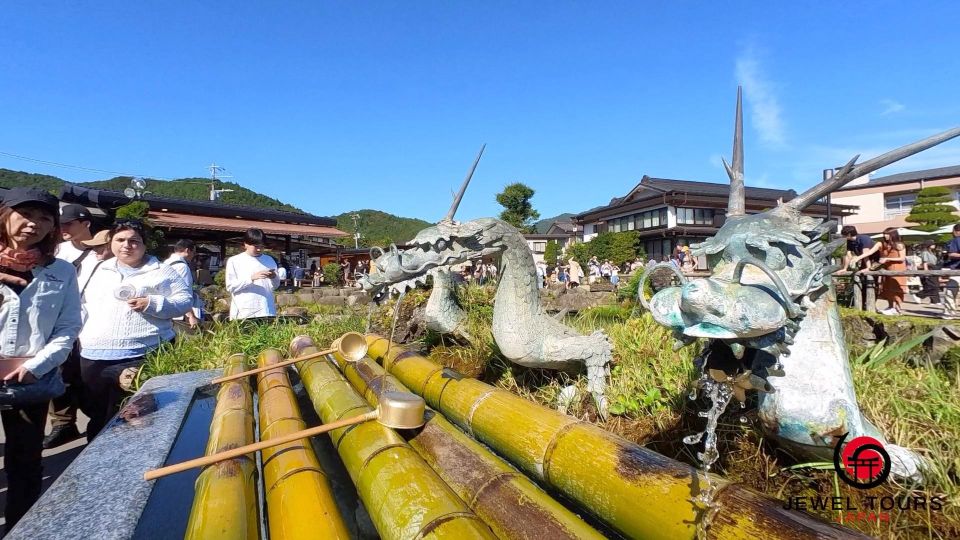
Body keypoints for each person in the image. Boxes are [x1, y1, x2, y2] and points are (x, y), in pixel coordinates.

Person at [0, 188, 82, 531]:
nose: (33, 224)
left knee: (25, 463)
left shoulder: (61, 272)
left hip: (28, 381)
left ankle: (21, 529)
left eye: (44, 218)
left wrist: (36, 367)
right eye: (25, 215)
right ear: (5, 217)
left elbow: (68, 327)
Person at [79, 219, 192, 439]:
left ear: (144, 244)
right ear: (111, 242)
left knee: (141, 418)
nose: (126, 245)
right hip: (94, 355)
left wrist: (153, 304)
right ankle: (96, 464)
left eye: (134, 241)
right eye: (120, 240)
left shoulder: (162, 271)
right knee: (98, 414)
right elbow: (80, 302)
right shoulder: (98, 268)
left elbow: (185, 300)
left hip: (143, 353)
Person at [44, 204, 97, 449]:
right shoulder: (54, 251)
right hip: (56, 321)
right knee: (60, 374)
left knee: (85, 375)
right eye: (60, 224)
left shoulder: (103, 251)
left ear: (85, 223)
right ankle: (63, 423)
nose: (62, 228)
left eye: (68, 223)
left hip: (91, 322)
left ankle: (96, 419)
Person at [225, 228, 280, 320]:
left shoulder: (269, 260)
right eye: (255, 246)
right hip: (244, 312)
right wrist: (251, 278)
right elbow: (230, 287)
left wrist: (273, 277)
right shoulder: (234, 261)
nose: (259, 249)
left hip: (266, 309)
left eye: (261, 246)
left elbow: (275, 286)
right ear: (245, 244)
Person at [850, 227, 906, 315]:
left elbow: (902, 258)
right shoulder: (881, 243)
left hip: (898, 267)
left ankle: (897, 308)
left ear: (893, 235)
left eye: (887, 234)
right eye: (884, 234)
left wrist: (887, 258)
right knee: (886, 287)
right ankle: (891, 306)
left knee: (896, 287)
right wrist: (858, 258)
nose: (885, 236)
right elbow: (869, 252)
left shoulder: (899, 244)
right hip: (886, 268)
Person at [164, 239, 201, 328]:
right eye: (194, 252)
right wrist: (191, 316)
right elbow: (184, 293)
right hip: (180, 314)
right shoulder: (182, 267)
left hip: (166, 311)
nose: (193, 256)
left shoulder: (166, 263)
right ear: (187, 250)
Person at [942, 224, 960, 319]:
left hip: (956, 270)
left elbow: (951, 254)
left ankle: (949, 312)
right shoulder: (956, 240)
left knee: (951, 291)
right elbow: (951, 254)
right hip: (956, 269)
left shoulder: (956, 240)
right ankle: (950, 311)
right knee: (953, 292)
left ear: (956, 231)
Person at [918, 240, 941, 307]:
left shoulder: (931, 252)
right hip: (929, 268)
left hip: (934, 268)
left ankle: (934, 300)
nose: (934, 245)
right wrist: (926, 272)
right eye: (933, 244)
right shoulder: (925, 252)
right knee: (933, 285)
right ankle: (919, 295)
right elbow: (925, 262)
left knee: (935, 285)